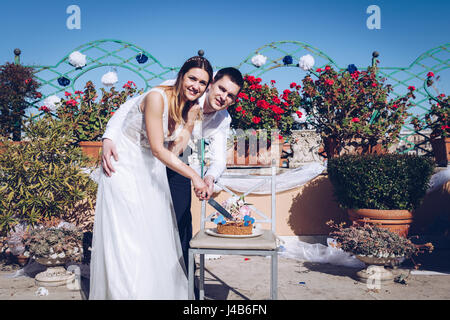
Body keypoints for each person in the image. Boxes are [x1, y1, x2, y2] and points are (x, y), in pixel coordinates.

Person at [89, 56, 214, 300]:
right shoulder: (157, 97)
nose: (196, 86)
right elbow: (158, 149)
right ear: (181, 76)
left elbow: (173, 151)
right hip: (123, 170)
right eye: (192, 78)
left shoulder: (186, 107)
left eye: (202, 83)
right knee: (128, 243)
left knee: (150, 241)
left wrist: (188, 124)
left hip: (150, 173)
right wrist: (195, 177)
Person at [101, 67, 243, 273]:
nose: (223, 97)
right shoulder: (184, 88)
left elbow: (219, 158)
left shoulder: (223, 119)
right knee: (144, 220)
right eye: (222, 89)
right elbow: (128, 107)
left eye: (231, 96)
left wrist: (210, 177)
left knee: (181, 219)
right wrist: (108, 137)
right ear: (211, 83)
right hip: (149, 154)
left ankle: (184, 284)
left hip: (181, 156)